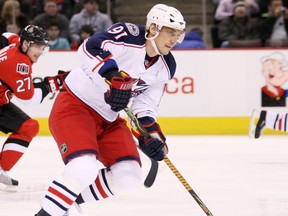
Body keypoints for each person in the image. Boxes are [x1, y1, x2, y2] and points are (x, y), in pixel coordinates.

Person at [35, 3, 185, 216]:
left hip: (108, 118)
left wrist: (151, 137)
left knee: (129, 175)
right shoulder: (129, 35)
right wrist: (113, 76)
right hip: (76, 105)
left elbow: (145, 105)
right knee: (83, 168)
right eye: (171, 32)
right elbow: (89, 47)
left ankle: (63, 200)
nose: (174, 40)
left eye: (178, 34)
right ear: (153, 28)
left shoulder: (166, 66)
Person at [0, 25, 68, 191]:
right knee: (29, 127)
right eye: (36, 46)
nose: (39, 51)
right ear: (25, 44)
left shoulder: (15, 42)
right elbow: (30, 99)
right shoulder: (18, 64)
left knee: (28, 127)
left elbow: (6, 36)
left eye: (42, 46)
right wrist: (55, 83)